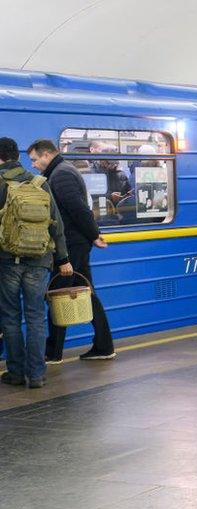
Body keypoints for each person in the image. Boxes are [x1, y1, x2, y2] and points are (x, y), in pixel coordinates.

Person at [27, 140, 115, 363]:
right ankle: (102, 346)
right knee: (84, 293)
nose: (34, 165)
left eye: (35, 160)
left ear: (47, 155)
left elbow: (78, 209)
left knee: (58, 294)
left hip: (72, 245)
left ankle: (54, 351)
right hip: (75, 243)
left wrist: (94, 235)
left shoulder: (61, 175)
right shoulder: (62, 170)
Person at [0, 138, 72, 387]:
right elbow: (57, 225)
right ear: (17, 157)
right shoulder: (39, 182)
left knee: (10, 316)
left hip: (7, 261)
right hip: (41, 260)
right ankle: (38, 375)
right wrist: (63, 258)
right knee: (36, 317)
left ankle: (17, 373)